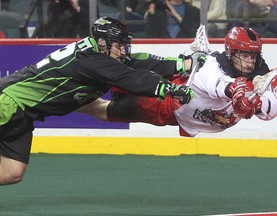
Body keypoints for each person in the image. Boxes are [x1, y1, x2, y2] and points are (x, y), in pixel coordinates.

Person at [0, 16, 194, 185]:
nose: (123, 50)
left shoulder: (102, 55)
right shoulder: (89, 59)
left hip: (24, 113)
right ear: (102, 42)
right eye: (119, 45)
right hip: (8, 102)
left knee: (12, 172)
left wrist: (183, 64)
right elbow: (130, 77)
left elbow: (138, 61)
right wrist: (168, 89)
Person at [78, 26, 277, 137]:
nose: (250, 61)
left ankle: (74, 99)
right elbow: (213, 82)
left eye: (253, 56)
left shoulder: (260, 72)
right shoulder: (215, 62)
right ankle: (68, 94)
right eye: (245, 55)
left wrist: (258, 103)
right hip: (168, 100)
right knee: (109, 95)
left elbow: (273, 108)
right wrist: (235, 90)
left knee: (107, 108)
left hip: (178, 115)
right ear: (231, 52)